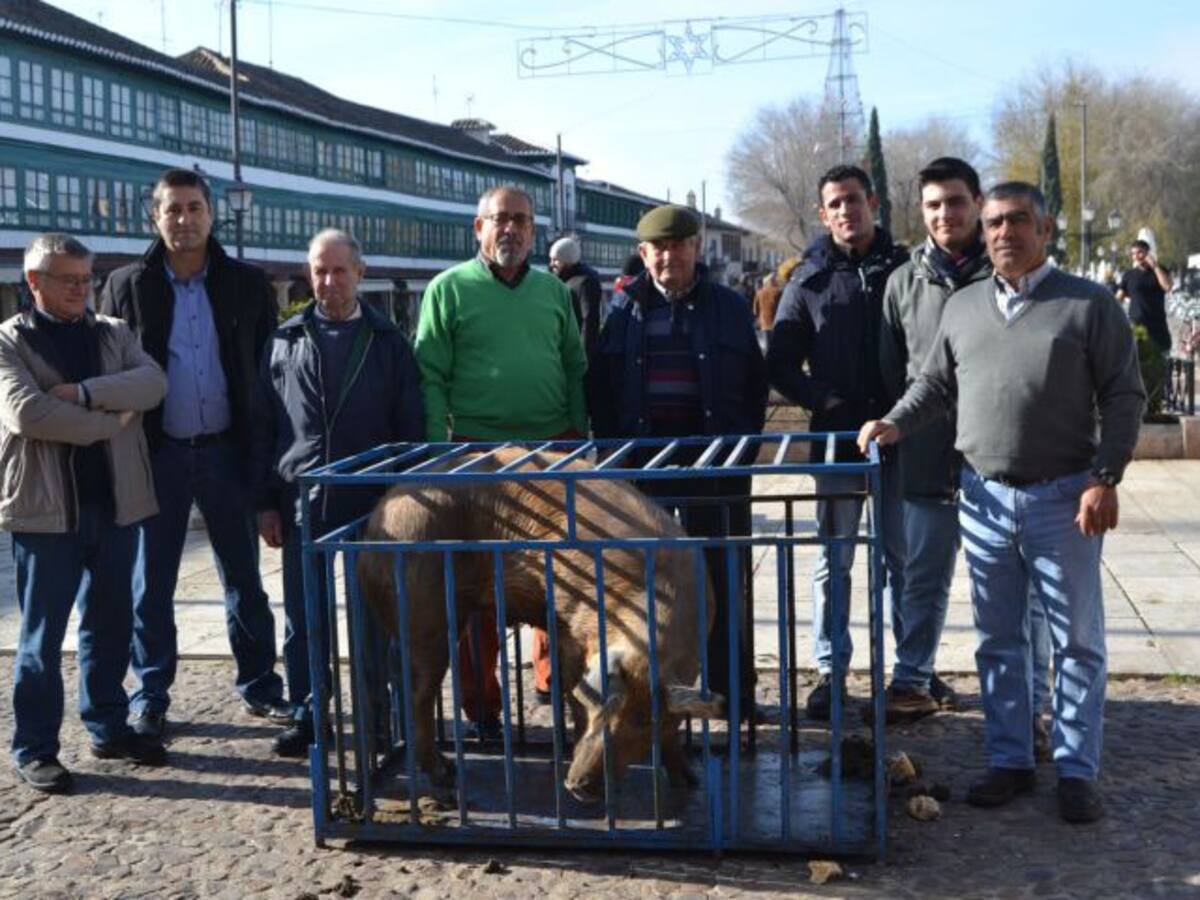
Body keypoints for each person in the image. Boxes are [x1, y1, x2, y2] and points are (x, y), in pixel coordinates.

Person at [858, 182, 1145, 824]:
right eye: (992, 223)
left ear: (1045, 228)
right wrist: (894, 423)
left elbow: (1125, 396)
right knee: (997, 640)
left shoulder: (1089, 305)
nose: (1003, 233)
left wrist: (1107, 476)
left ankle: (1075, 769)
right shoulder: (962, 308)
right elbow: (932, 384)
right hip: (983, 497)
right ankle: (1011, 758)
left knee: (1076, 641)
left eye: (1018, 221)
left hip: (1065, 497)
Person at [100, 168, 288, 740]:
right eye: (172, 209)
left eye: (194, 208)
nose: (184, 220)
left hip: (228, 452)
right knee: (150, 583)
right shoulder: (126, 285)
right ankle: (151, 692)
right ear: (154, 217)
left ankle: (259, 685)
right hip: (158, 453)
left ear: (211, 214)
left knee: (244, 579)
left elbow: (268, 376)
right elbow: (110, 370)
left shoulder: (246, 284)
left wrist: (267, 472)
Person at [878, 157, 1053, 737]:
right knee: (920, 576)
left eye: (955, 202)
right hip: (926, 458)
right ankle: (912, 680)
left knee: (1017, 594)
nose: (945, 214)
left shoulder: (1007, 271)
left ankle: (1034, 704)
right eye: (933, 205)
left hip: (1003, 460)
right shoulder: (904, 281)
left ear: (976, 204)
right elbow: (897, 373)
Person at [414, 185, 587, 731]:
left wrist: (580, 442)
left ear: (534, 231)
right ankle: (481, 703)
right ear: (478, 228)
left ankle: (554, 682)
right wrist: (442, 453)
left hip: (551, 453)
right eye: (499, 219)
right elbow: (430, 375)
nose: (510, 228)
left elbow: (574, 367)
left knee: (559, 579)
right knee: (478, 586)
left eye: (521, 220)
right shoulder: (447, 290)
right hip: (477, 458)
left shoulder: (553, 292)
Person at [588, 204, 769, 715]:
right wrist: (616, 455)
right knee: (650, 589)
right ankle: (658, 697)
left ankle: (733, 694)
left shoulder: (730, 307)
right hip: (646, 471)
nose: (668, 256)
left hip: (716, 467)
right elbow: (601, 386)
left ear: (696, 247)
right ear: (644, 254)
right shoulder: (622, 311)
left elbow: (755, 385)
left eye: (678, 245)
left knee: (724, 582)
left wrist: (742, 448)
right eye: (658, 248)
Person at [6, 234, 169, 792]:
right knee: (41, 637)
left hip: (116, 504)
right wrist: (108, 421)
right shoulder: (9, 342)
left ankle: (108, 725)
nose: (81, 289)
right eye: (68, 279)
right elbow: (27, 414)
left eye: (86, 279)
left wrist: (81, 393)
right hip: (47, 515)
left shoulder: (113, 332)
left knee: (110, 623)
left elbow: (152, 383)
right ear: (34, 282)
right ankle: (35, 748)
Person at [253, 229, 424, 756]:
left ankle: (382, 716)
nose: (328, 282)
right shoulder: (285, 339)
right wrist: (265, 502)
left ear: (360, 273)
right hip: (304, 499)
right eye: (319, 271)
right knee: (306, 620)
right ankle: (309, 713)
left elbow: (410, 428)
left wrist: (406, 500)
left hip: (374, 505)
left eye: (338, 271)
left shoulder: (388, 342)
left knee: (378, 620)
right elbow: (265, 424)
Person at [766, 164, 909, 721]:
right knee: (834, 561)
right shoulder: (809, 279)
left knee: (904, 560)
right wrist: (824, 401)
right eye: (835, 204)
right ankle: (831, 671)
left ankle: (910, 674)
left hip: (903, 436)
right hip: (836, 441)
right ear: (824, 215)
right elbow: (780, 361)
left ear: (872, 203)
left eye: (854, 200)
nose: (847, 211)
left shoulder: (904, 269)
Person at [1116, 239, 1174, 353]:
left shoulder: (1160, 270)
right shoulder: (1129, 275)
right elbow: (1117, 299)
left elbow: (1167, 287)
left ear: (1148, 253)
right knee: (1137, 364)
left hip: (1157, 328)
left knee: (1160, 363)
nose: (1136, 256)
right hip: (1137, 328)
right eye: (1133, 253)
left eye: (1139, 252)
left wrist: (1155, 266)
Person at [549, 236, 602, 357]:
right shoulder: (566, 281)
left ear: (567, 260)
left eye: (555, 260)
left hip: (577, 353)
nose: (551, 264)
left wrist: (583, 356)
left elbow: (589, 321)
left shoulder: (585, 283)